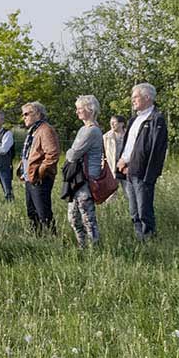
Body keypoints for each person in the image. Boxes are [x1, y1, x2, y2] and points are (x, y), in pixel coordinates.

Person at [116, 83, 169, 241]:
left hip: (142, 172)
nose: (132, 100)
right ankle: (140, 240)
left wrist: (150, 174)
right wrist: (122, 161)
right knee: (134, 211)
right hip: (128, 171)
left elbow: (155, 150)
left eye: (135, 97)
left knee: (144, 209)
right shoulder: (133, 120)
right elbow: (129, 146)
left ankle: (150, 241)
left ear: (147, 98)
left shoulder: (156, 119)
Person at [63, 95, 106, 248]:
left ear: (90, 109)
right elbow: (73, 153)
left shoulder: (92, 131)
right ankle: (82, 245)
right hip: (77, 178)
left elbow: (73, 154)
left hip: (87, 179)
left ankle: (94, 248)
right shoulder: (83, 129)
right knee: (73, 217)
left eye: (80, 109)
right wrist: (71, 153)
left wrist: (70, 153)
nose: (77, 112)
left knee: (87, 217)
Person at [19, 101, 62, 235]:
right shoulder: (34, 130)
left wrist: (39, 172)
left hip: (40, 179)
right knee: (32, 212)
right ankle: (36, 239)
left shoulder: (45, 129)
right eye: (23, 114)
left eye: (26, 114)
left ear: (37, 114)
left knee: (43, 213)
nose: (24, 117)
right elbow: (29, 154)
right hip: (30, 178)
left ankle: (52, 240)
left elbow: (53, 154)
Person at [0, 110, 17, 201]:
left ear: (2, 121)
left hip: (4, 166)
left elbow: (4, 150)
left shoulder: (7, 134)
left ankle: (11, 209)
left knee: (7, 190)